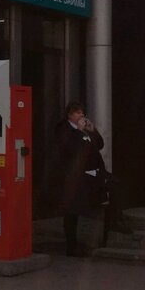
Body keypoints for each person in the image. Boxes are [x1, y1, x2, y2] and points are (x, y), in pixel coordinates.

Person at [45, 101, 105, 256]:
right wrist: (79, 131)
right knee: (72, 210)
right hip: (72, 176)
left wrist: (93, 130)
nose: (81, 115)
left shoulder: (85, 129)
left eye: (82, 113)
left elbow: (99, 145)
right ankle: (71, 246)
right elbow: (69, 148)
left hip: (91, 174)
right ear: (70, 115)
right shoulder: (64, 128)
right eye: (78, 113)